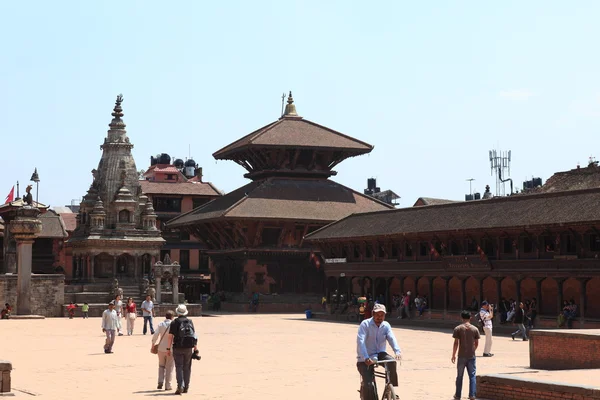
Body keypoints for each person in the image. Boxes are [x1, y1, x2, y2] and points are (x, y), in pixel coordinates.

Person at [356, 303, 402, 399]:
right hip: (365, 356)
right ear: (373, 314)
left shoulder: (386, 325)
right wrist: (366, 357)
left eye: (382, 315)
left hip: (380, 353)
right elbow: (361, 342)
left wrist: (397, 351)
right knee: (369, 385)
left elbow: (391, 338)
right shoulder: (365, 324)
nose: (380, 317)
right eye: (377, 315)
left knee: (392, 361)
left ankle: (391, 388)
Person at [167, 304, 198, 395]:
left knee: (179, 367)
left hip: (177, 347)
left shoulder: (174, 322)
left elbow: (170, 337)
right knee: (187, 367)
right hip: (189, 347)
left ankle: (180, 385)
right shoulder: (190, 321)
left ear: (177, 312)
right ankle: (186, 386)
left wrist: (168, 348)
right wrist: (195, 347)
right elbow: (194, 335)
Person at [452, 310, 480, 400]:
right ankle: (472, 394)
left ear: (461, 318)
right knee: (472, 376)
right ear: (470, 318)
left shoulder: (458, 328)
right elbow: (476, 343)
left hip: (461, 355)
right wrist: (472, 351)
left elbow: (456, 343)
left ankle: (458, 395)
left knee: (459, 376)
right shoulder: (475, 329)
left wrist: (453, 355)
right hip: (471, 356)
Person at [152, 310, 175, 391]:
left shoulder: (161, 324)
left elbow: (155, 335)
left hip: (161, 348)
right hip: (171, 348)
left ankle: (160, 381)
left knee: (161, 365)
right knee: (169, 367)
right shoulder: (174, 324)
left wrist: (153, 344)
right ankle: (168, 385)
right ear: (172, 317)